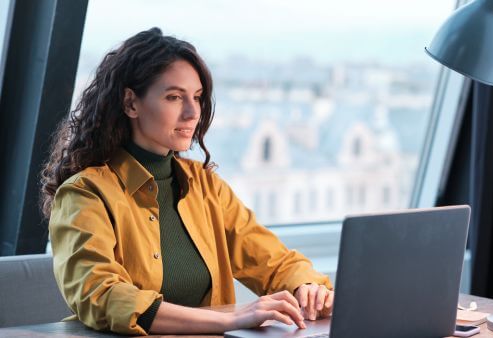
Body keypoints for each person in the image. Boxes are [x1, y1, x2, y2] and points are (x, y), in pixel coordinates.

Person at [40, 27, 334, 335]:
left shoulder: (206, 187)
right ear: (131, 103)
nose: (193, 112)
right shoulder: (85, 193)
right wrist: (231, 320)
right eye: (174, 97)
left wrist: (309, 287)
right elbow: (102, 296)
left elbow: (273, 261)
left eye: (197, 97)